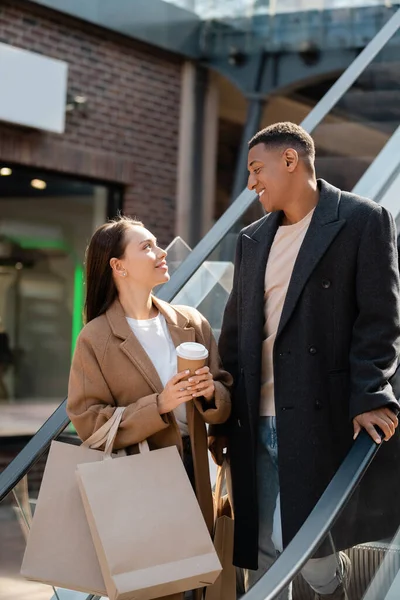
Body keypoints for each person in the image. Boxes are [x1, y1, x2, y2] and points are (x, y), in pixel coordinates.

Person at [209, 122, 400, 600]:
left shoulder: (361, 219)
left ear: (290, 160)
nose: (251, 182)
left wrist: (372, 393)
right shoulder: (252, 239)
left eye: (257, 169)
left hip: (318, 418)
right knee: (262, 550)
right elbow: (235, 336)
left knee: (314, 554)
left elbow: (380, 320)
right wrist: (224, 415)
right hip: (254, 419)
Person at [67, 216, 232, 600]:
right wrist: (159, 404)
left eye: (157, 245)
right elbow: (88, 421)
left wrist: (210, 394)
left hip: (195, 475)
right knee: (154, 590)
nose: (161, 253)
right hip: (137, 483)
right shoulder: (95, 338)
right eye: (147, 247)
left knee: (200, 587)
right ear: (118, 265)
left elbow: (224, 393)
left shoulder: (191, 322)